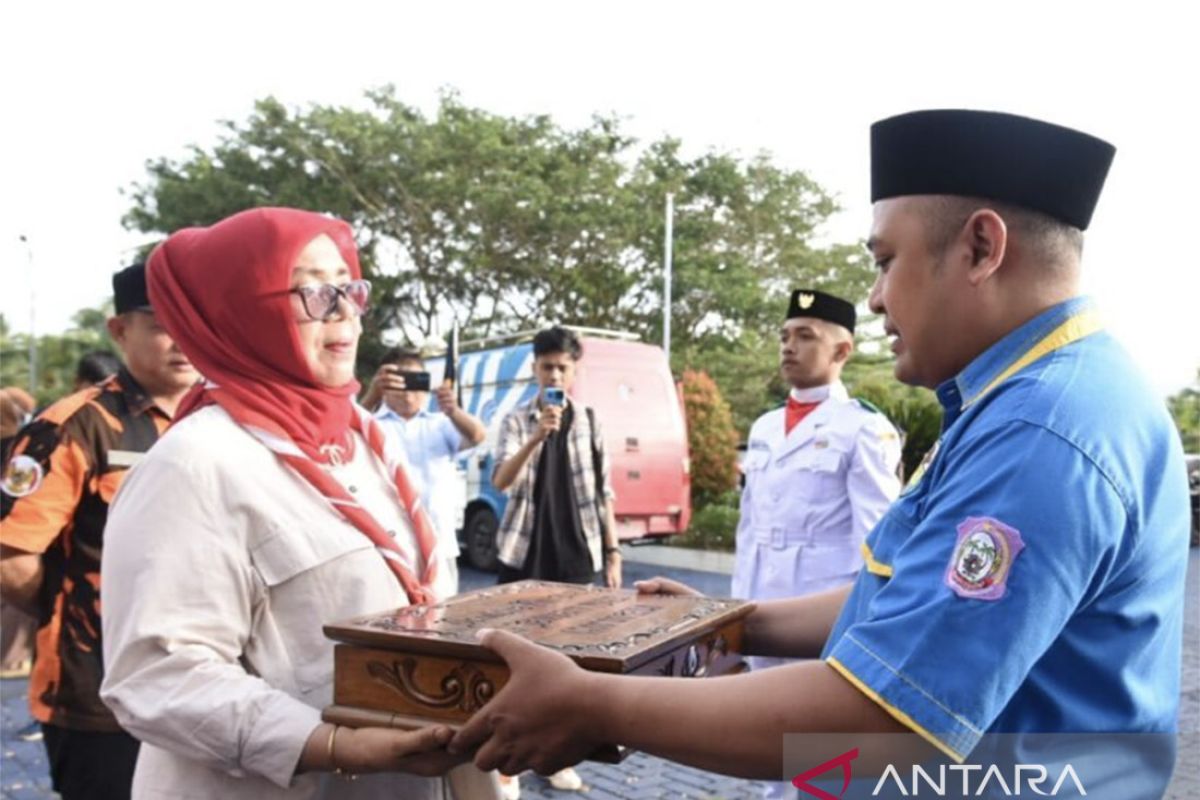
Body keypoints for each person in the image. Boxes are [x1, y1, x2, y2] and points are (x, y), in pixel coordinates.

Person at [446, 110, 1190, 793]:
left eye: (885, 259)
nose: (872, 298)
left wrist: (592, 704)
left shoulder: (1041, 430)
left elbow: (883, 723)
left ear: (981, 247)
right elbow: (905, 596)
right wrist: (734, 618)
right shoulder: (1041, 397)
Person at [98, 207, 496, 799]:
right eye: (311, 289)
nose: (342, 309)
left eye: (348, 286)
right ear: (240, 310)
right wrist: (330, 744)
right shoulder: (194, 463)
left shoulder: (368, 439)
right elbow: (157, 674)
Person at [0, 264, 199, 799]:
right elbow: (12, 557)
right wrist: (87, 620)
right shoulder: (73, 425)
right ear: (119, 330)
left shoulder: (221, 417)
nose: (181, 338)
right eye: (160, 323)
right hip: (98, 695)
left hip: (204, 684)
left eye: (192, 319)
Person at [732, 288, 901, 799]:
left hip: (822, 611)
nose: (789, 346)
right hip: (761, 599)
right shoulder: (763, 428)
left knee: (819, 748)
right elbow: (749, 528)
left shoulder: (864, 429)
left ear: (842, 351)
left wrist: (864, 623)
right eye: (785, 336)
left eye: (806, 336)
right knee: (765, 736)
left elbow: (879, 540)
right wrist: (732, 612)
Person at [489, 325, 622, 796]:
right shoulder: (516, 419)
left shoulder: (588, 419)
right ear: (535, 368)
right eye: (547, 366)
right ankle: (506, 767)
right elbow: (501, 481)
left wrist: (612, 550)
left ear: (574, 370)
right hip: (523, 551)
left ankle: (553, 759)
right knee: (513, 665)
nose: (555, 374)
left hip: (576, 551)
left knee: (567, 663)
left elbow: (604, 492)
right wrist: (536, 436)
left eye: (563, 367)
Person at [362, 347, 486, 596]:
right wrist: (371, 395)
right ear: (384, 383)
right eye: (400, 380)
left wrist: (454, 410)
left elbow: (477, 435)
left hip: (440, 543)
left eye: (417, 381)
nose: (409, 391)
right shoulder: (369, 423)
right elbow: (341, 433)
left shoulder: (441, 423)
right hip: (389, 547)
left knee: (443, 621)